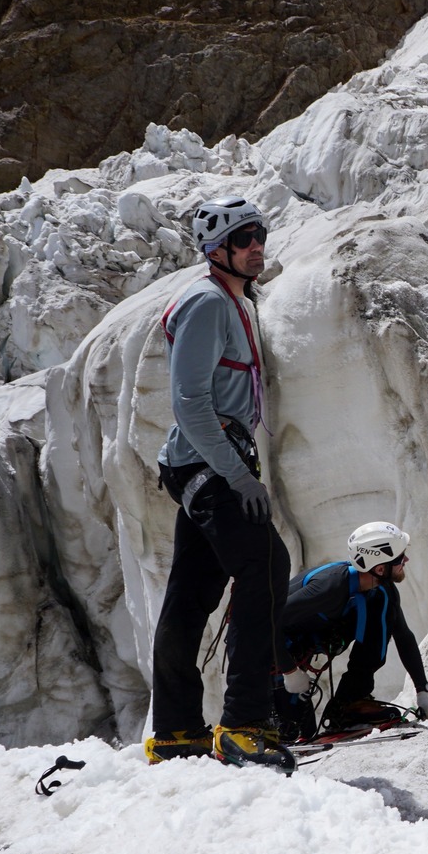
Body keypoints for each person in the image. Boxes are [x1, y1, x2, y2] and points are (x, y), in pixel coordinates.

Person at [144, 196, 293, 770]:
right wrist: (235, 475)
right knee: (266, 565)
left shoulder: (232, 302)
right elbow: (189, 402)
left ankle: (177, 731)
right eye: (245, 238)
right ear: (217, 250)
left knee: (191, 594)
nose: (258, 246)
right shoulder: (207, 303)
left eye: (260, 235)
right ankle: (245, 721)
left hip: (208, 462)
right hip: (211, 464)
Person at [276, 521, 428, 738]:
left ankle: (350, 704)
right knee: (288, 728)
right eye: (400, 558)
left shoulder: (382, 591)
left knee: (383, 605)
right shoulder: (329, 587)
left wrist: (423, 690)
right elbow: (266, 623)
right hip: (271, 650)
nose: (406, 560)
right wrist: (288, 670)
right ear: (380, 568)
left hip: (299, 649)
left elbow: (403, 636)